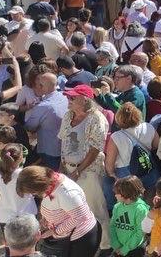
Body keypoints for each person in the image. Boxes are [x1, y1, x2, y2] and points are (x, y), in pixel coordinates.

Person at [57, 84, 110, 251]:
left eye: (73, 98)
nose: (69, 100)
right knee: (73, 209)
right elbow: (63, 142)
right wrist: (62, 167)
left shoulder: (96, 118)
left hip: (88, 171)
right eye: (68, 97)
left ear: (85, 100)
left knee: (96, 209)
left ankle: (105, 245)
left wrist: (79, 170)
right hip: (68, 169)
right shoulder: (67, 116)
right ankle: (84, 241)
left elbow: (96, 148)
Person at [16, 165, 101, 257]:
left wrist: (54, 231)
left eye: (33, 193)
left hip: (81, 239)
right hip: (66, 236)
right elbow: (53, 204)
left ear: (39, 185)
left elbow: (80, 217)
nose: (33, 195)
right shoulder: (51, 182)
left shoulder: (67, 194)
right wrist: (46, 219)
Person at [109, 175, 149, 257]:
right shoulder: (117, 207)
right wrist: (116, 245)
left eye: (117, 193)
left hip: (135, 249)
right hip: (119, 248)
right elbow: (112, 226)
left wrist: (125, 249)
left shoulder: (140, 209)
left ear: (125, 193)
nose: (115, 195)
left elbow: (140, 233)